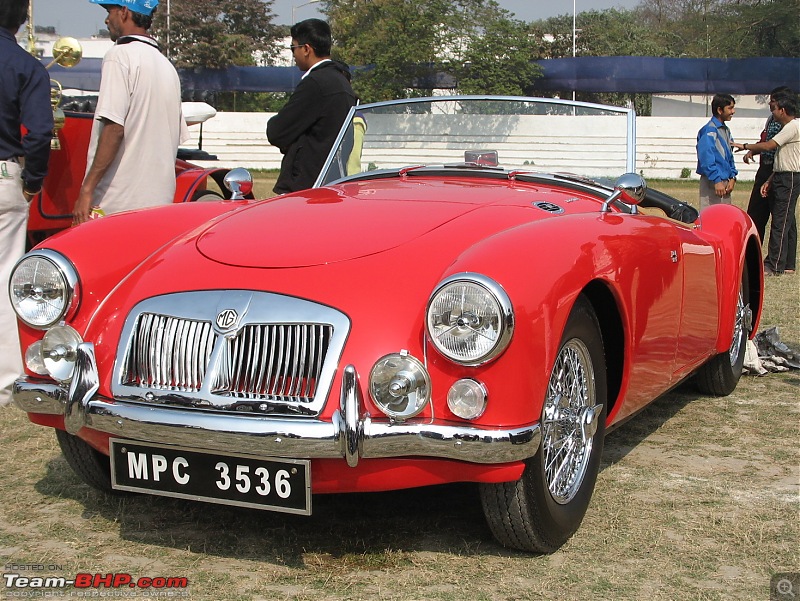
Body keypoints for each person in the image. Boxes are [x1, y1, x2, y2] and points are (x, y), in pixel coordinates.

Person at [72, 0, 188, 225]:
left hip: (118, 203)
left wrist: (86, 190)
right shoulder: (167, 67)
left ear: (124, 12)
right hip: (159, 204)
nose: (107, 19)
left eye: (110, 11)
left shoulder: (119, 56)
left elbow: (114, 128)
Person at [0, 0, 54, 406]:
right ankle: (5, 377)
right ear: (20, 20)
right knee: (5, 276)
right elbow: (38, 134)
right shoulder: (26, 66)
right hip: (4, 173)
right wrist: (33, 182)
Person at [266, 19, 356, 195]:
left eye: (294, 48)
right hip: (331, 182)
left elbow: (277, 131)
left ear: (306, 49)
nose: (293, 54)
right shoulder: (342, 81)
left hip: (306, 188)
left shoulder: (316, 83)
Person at [733, 93, 800, 275]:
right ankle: (774, 262)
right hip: (781, 175)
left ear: (783, 110)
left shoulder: (792, 126)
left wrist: (745, 146)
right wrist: (770, 180)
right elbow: (781, 158)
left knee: (781, 221)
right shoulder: (787, 126)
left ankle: (775, 264)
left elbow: (769, 145)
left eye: (775, 108)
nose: (773, 112)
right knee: (780, 220)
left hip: (790, 178)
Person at [696, 94, 738, 208]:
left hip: (725, 181)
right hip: (713, 182)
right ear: (720, 110)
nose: (733, 111)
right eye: (730, 108)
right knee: (711, 217)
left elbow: (729, 156)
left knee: (724, 218)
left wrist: (733, 177)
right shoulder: (709, 130)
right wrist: (716, 180)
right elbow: (706, 157)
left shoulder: (726, 130)